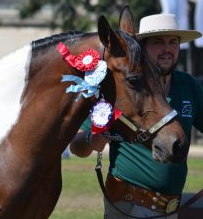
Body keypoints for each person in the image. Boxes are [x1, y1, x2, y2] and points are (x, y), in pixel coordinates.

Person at [69, 13, 203, 219]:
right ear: (141, 48)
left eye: (173, 42)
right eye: (158, 42)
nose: (167, 49)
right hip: (128, 205)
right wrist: (90, 140)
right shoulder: (121, 87)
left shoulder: (189, 86)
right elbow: (77, 145)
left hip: (171, 208)